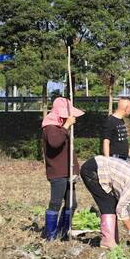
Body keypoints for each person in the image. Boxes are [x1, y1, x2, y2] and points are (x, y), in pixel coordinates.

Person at [41, 97, 85, 241]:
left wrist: (76, 171)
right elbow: (55, 143)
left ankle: (63, 232)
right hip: (57, 172)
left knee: (72, 204)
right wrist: (66, 126)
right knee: (55, 203)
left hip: (68, 173)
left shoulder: (61, 129)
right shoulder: (50, 127)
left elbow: (70, 153)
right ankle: (50, 235)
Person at [102, 97, 130, 168]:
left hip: (124, 158)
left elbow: (123, 140)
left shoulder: (121, 120)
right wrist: (107, 161)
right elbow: (106, 141)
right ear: (126, 108)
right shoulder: (110, 121)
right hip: (115, 158)